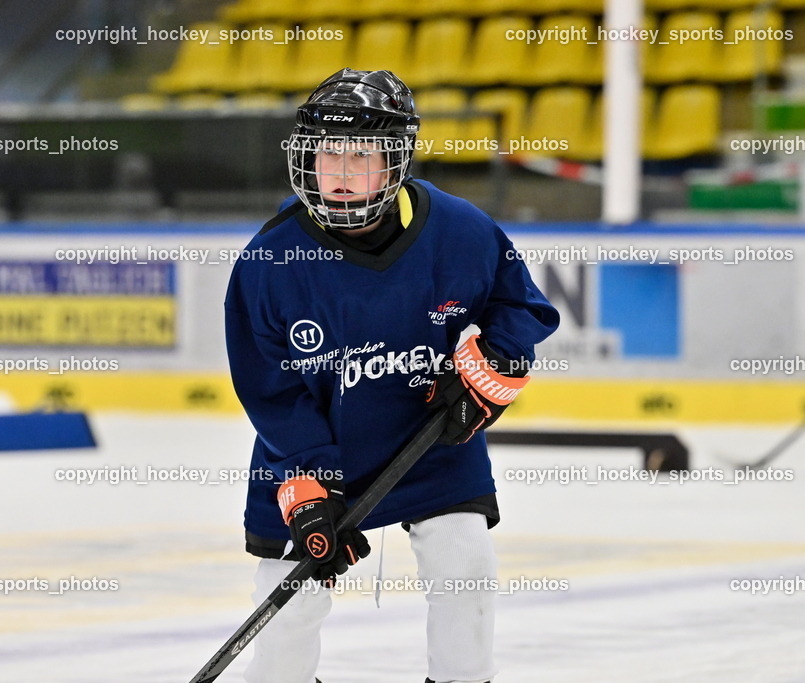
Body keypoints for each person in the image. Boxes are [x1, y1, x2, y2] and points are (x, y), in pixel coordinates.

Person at [223, 68, 560, 683]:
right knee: (291, 599)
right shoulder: (270, 261)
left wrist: (497, 364)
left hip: (431, 438)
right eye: (328, 154)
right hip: (315, 452)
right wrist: (309, 484)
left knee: (465, 564)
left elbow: (522, 305)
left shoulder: (460, 231)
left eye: (362, 156)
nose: (341, 173)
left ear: (395, 162)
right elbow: (272, 392)